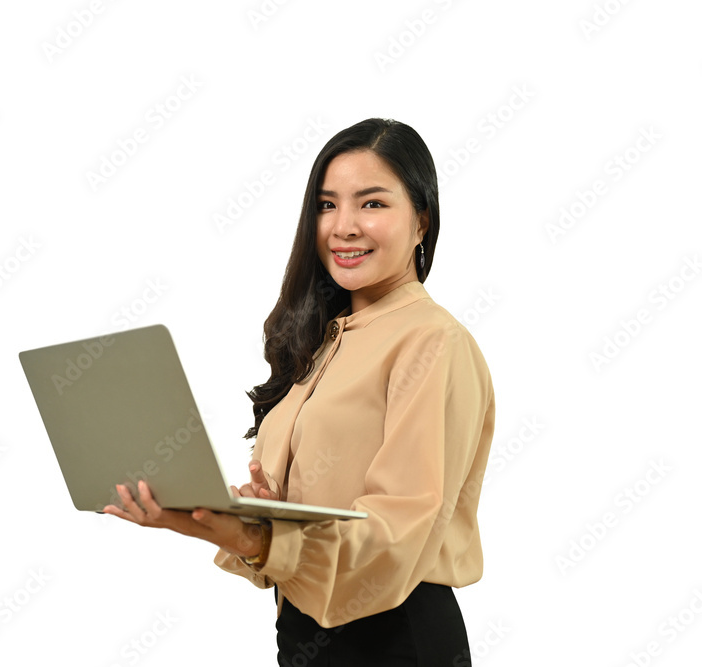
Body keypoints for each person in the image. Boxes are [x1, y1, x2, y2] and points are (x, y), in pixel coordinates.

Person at [103, 118, 495, 666]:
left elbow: (400, 531)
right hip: (304, 636)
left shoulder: (433, 342)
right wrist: (249, 517)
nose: (344, 227)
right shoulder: (324, 342)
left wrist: (260, 539)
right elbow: (306, 533)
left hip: (394, 640)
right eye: (327, 205)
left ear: (421, 220)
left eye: (372, 203)